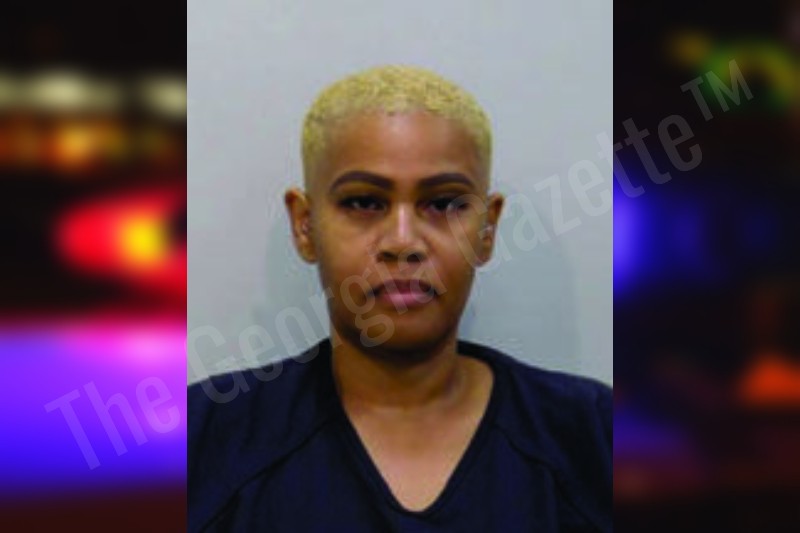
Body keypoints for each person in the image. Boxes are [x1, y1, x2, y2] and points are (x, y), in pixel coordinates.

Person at [188, 65, 611, 532]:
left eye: (444, 204)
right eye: (364, 203)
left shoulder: (595, 437)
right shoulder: (204, 441)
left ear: (488, 229)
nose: (403, 241)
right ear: (304, 226)